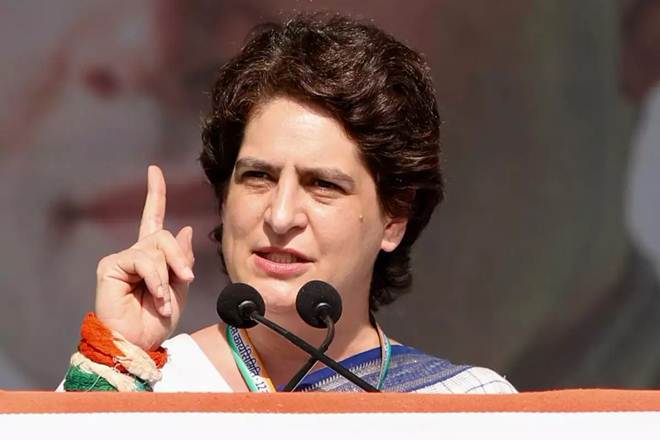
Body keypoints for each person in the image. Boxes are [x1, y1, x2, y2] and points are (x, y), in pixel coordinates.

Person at [61, 13, 515, 393]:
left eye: (323, 185)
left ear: (395, 218)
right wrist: (119, 356)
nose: (280, 217)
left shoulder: (467, 405)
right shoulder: (144, 380)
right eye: (258, 177)